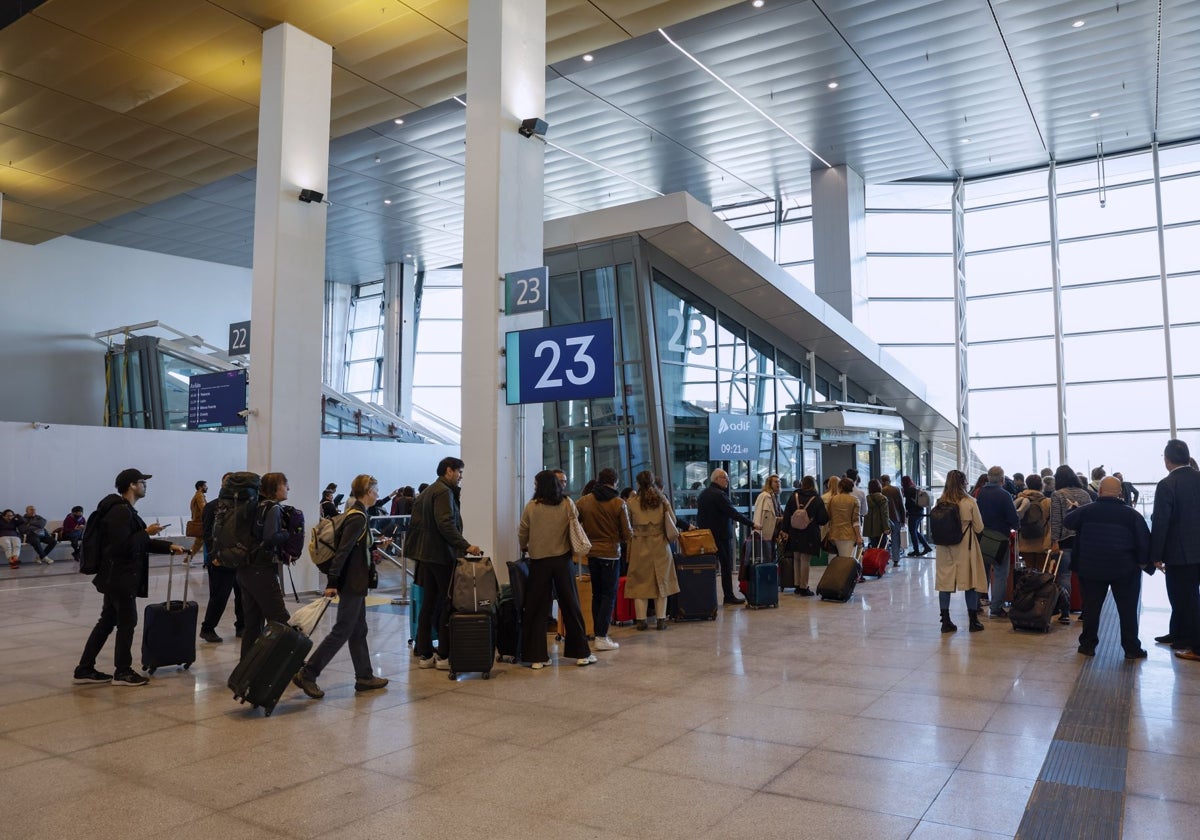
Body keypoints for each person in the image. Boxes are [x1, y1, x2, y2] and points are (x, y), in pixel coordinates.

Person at [74, 468, 184, 685]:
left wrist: (168, 546)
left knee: (107, 622)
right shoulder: (120, 512)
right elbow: (121, 547)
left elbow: (136, 542)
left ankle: (84, 669)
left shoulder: (124, 511)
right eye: (142, 482)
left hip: (118, 576)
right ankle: (122, 671)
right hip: (120, 577)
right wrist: (146, 533)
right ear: (132, 485)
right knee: (127, 622)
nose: (145, 486)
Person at [293, 474, 390, 696]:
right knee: (342, 630)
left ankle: (364, 676)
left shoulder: (357, 514)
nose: (377, 494)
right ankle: (308, 673)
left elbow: (354, 547)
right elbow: (343, 551)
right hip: (351, 582)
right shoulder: (357, 517)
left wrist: (374, 544)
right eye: (375, 491)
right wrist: (332, 581)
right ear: (367, 492)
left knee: (358, 630)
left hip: (356, 581)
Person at [1064, 476, 1152, 659]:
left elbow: (1068, 522)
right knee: (1127, 610)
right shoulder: (1132, 515)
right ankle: (1131, 648)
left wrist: (1074, 508)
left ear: (1100, 491)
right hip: (1125, 570)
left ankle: (1087, 645)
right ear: (1120, 493)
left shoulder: (1086, 511)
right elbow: (1144, 542)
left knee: (1091, 609)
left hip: (1091, 569)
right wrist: (1145, 563)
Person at [406, 457, 480, 670]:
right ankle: (444, 656)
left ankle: (425, 654)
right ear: (449, 471)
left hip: (426, 556)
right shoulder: (443, 492)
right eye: (459, 472)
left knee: (428, 604)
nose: (460, 477)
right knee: (448, 603)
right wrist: (466, 546)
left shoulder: (428, 491)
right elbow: (446, 524)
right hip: (440, 556)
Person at [518, 470, 595, 668]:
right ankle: (581, 653)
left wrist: (526, 546)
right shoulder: (567, 503)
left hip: (538, 563)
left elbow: (523, 532)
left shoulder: (531, 507)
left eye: (536, 484)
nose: (534, 487)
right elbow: (575, 524)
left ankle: (537, 657)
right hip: (562, 561)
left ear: (540, 486)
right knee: (571, 605)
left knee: (537, 609)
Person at [233, 472, 293, 658]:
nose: (288, 488)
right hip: (262, 572)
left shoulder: (254, 506)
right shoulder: (273, 508)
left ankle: (247, 667)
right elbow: (270, 538)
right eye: (285, 484)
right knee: (280, 619)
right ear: (276, 488)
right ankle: (291, 664)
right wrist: (289, 533)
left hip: (245, 570)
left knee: (253, 624)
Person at [1149, 439, 1200, 660]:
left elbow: (1161, 522)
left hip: (1180, 553)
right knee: (1188, 598)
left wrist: (1156, 555)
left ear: (1167, 460)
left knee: (1183, 599)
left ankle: (1194, 646)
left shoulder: (1167, 484)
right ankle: (1178, 635)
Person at [576, 467, 633, 652]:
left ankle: (595, 633)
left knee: (596, 594)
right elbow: (627, 533)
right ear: (615, 482)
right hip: (611, 554)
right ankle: (602, 636)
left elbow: (574, 523)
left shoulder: (584, 501)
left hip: (591, 553)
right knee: (609, 595)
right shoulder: (618, 503)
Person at [624, 470, 681, 631]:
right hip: (661, 545)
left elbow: (626, 526)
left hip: (639, 545)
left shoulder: (631, 502)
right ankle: (661, 620)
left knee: (639, 585)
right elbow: (673, 521)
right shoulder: (662, 500)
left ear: (638, 484)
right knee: (661, 584)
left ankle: (641, 621)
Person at [934, 469, 987, 634]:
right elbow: (979, 527)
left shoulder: (940, 502)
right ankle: (973, 621)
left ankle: (945, 621)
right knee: (969, 582)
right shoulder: (970, 502)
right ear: (963, 482)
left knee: (945, 583)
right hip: (965, 545)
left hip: (944, 547)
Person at [696, 469, 760, 605]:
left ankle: (706, 597)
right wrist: (752, 524)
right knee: (725, 567)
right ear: (717, 479)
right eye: (725, 478)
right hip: (721, 537)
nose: (728, 480)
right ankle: (728, 596)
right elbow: (733, 513)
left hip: (706, 537)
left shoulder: (703, 494)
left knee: (708, 567)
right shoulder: (719, 495)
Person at [200, 472, 243, 643]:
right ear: (222, 484)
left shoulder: (240, 506)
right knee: (219, 596)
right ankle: (207, 628)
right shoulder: (212, 506)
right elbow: (208, 535)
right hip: (220, 559)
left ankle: (242, 626)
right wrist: (213, 557)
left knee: (242, 595)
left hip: (237, 559)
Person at [1050, 465, 1093, 626]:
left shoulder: (1057, 495)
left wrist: (1054, 541)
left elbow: (1056, 520)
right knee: (1084, 577)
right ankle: (1085, 611)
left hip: (1064, 541)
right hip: (1083, 541)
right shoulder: (1085, 494)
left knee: (1064, 576)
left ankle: (1065, 612)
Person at [976, 466, 1019, 619]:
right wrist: (1016, 526)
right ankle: (996, 608)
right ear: (1002, 479)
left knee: (982, 572)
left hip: (982, 537)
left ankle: (976, 604)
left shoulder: (980, 493)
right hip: (1000, 538)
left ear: (988, 478)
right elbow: (1013, 519)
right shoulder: (1004, 495)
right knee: (1000, 573)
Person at [780, 475, 827, 596]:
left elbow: (786, 515)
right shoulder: (816, 499)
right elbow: (823, 519)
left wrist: (785, 530)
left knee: (796, 557)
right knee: (805, 559)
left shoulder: (794, 496)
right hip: (809, 533)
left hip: (794, 531)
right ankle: (803, 586)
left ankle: (796, 584)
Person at [1014, 473, 1052, 569]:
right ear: (1041, 486)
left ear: (1027, 484)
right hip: (1042, 543)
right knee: (1042, 575)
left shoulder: (1019, 500)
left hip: (1024, 541)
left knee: (1026, 574)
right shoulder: (1047, 502)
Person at [827, 477, 864, 558]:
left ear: (840, 487)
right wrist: (858, 536)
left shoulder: (832, 499)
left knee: (838, 560)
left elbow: (829, 516)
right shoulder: (854, 500)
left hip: (835, 534)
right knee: (848, 562)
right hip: (849, 534)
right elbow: (855, 521)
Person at [752, 474, 784, 564]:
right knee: (766, 556)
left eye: (779, 481)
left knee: (771, 556)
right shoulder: (764, 496)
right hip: (765, 531)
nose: (778, 483)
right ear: (769, 483)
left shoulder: (775, 497)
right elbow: (759, 514)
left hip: (774, 531)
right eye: (775, 482)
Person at [901, 475, 931, 557]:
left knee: (912, 531)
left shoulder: (908, 490)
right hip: (920, 512)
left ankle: (916, 550)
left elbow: (907, 503)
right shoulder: (915, 488)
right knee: (915, 531)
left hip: (914, 513)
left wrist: (906, 510)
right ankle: (926, 546)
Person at [879, 475, 904, 563]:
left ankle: (885, 559)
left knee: (883, 539)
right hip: (896, 517)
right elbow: (901, 505)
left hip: (884, 519)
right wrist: (903, 519)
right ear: (889, 480)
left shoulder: (880, 491)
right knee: (895, 539)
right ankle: (896, 560)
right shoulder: (896, 489)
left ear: (882, 481)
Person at [863, 479, 891, 551]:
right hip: (880, 528)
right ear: (879, 487)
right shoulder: (883, 499)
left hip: (870, 529)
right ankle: (881, 562)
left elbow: (864, 512)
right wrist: (886, 528)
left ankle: (875, 561)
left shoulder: (867, 499)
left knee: (874, 548)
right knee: (882, 548)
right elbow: (884, 514)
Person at [187, 480, 207, 557]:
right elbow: (204, 509)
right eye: (205, 486)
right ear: (200, 487)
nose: (207, 488)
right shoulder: (200, 495)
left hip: (198, 521)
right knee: (198, 543)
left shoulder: (197, 495)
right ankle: (187, 559)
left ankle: (188, 559)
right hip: (200, 522)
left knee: (198, 543)